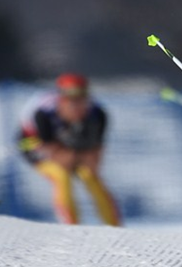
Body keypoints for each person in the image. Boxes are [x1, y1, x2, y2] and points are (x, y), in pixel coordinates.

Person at [17, 73, 121, 227]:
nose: (76, 105)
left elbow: (95, 155)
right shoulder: (43, 113)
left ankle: (115, 227)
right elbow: (52, 152)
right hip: (34, 144)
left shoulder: (98, 115)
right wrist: (68, 156)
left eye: (81, 99)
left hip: (74, 147)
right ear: (61, 99)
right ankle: (71, 227)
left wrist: (84, 159)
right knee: (61, 175)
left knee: (90, 176)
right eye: (70, 99)